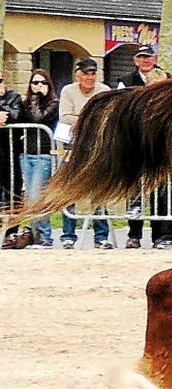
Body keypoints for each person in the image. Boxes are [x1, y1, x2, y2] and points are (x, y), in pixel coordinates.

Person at [117, 46, 172, 249]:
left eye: (149, 57)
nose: (145, 60)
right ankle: (134, 235)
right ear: (135, 60)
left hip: (161, 146)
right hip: (135, 142)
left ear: (155, 59)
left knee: (161, 191)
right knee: (134, 191)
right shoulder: (125, 80)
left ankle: (161, 235)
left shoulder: (168, 78)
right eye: (141, 57)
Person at [59, 58, 112, 249]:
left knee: (98, 192)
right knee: (69, 191)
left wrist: (81, 118)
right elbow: (64, 117)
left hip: (98, 147)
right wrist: (90, 118)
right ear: (78, 75)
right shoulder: (68, 91)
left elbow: (107, 116)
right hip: (72, 148)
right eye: (86, 73)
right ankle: (68, 236)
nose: (90, 77)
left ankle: (101, 236)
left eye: (93, 73)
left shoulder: (104, 90)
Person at [15, 69, 58, 248]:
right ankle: (35, 234)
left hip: (43, 154)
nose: (38, 86)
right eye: (35, 83)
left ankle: (45, 236)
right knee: (29, 197)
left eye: (42, 82)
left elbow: (39, 118)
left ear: (48, 85)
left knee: (36, 196)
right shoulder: (25, 104)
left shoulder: (53, 103)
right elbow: (18, 120)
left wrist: (37, 99)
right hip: (26, 154)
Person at [0, 74, 23, 248]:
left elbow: (14, 115)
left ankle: (12, 232)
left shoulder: (14, 96)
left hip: (10, 151)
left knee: (13, 192)